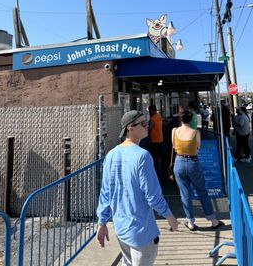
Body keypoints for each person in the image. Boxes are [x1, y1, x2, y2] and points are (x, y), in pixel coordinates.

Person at [96, 110, 179, 266]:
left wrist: (102, 222)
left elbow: (105, 193)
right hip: (142, 232)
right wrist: (170, 217)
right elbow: (153, 195)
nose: (147, 126)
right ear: (130, 128)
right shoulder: (143, 156)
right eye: (143, 123)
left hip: (121, 230)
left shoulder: (111, 155)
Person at [172, 109, 224, 231]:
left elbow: (174, 146)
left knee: (185, 194)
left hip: (178, 162)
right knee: (201, 191)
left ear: (181, 119)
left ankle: (190, 221)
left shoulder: (174, 131)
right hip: (192, 162)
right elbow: (198, 147)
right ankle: (213, 220)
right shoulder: (195, 132)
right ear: (191, 120)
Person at [148, 105, 163, 176]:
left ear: (152, 110)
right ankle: (160, 169)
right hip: (160, 138)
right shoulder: (159, 116)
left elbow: (150, 128)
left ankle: (155, 170)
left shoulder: (153, 119)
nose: (149, 112)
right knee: (159, 156)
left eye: (150, 111)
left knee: (154, 156)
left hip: (154, 140)